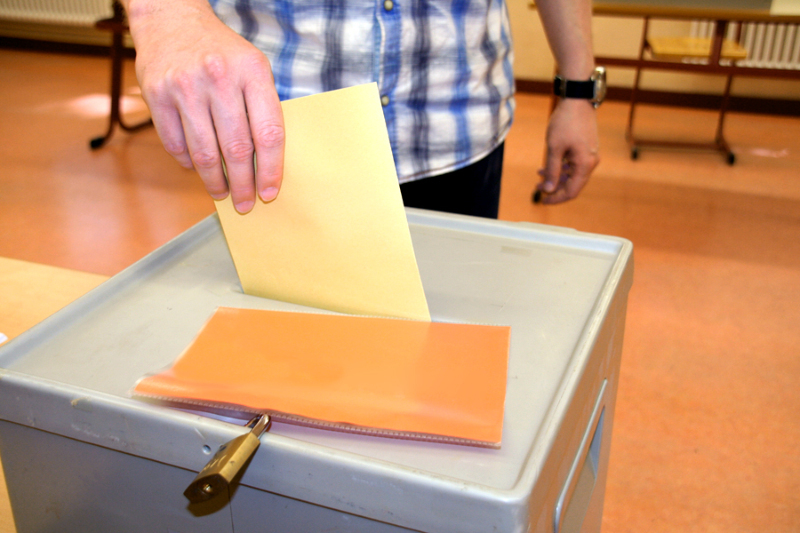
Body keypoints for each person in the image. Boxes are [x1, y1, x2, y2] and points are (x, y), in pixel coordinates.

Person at [121, 0, 600, 216]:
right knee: (288, 354)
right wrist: (164, 12)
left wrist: (578, 90)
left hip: (459, 119)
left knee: (446, 356)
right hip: (285, 126)